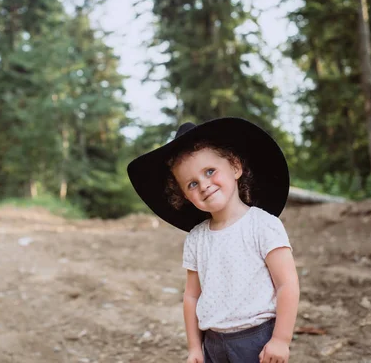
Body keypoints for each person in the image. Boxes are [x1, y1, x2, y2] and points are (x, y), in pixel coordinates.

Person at [127, 118, 299, 363]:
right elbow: (191, 297)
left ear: (235, 167)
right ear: (185, 195)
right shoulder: (197, 238)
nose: (204, 185)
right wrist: (195, 348)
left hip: (256, 340)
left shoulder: (263, 225)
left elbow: (287, 284)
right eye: (192, 184)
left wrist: (281, 340)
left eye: (210, 171)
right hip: (213, 344)